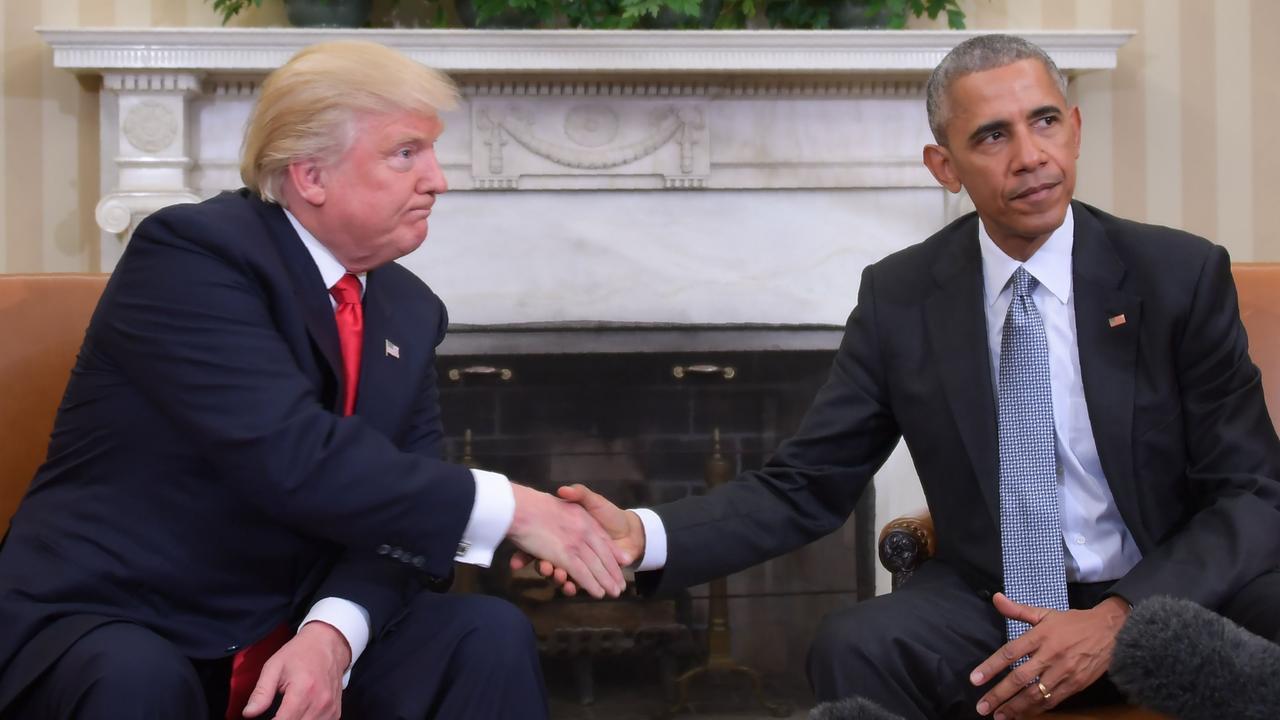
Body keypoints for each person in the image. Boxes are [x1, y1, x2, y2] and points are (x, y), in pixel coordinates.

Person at [520, 34, 1280, 719]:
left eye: (1045, 122)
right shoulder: (903, 297)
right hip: (995, 602)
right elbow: (808, 482)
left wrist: (1120, 618)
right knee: (857, 644)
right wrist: (642, 536)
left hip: (1167, 589)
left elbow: (1252, 490)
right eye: (992, 136)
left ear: (1075, 129)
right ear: (943, 167)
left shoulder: (1175, 274)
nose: (1030, 156)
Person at [0, 41, 630, 720]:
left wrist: (332, 633)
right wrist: (514, 507)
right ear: (311, 175)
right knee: (136, 678)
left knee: (484, 634)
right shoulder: (191, 254)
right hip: (127, 611)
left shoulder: (410, 310)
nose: (439, 180)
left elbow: (403, 518)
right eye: (406, 153)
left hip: (293, 612)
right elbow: (291, 454)